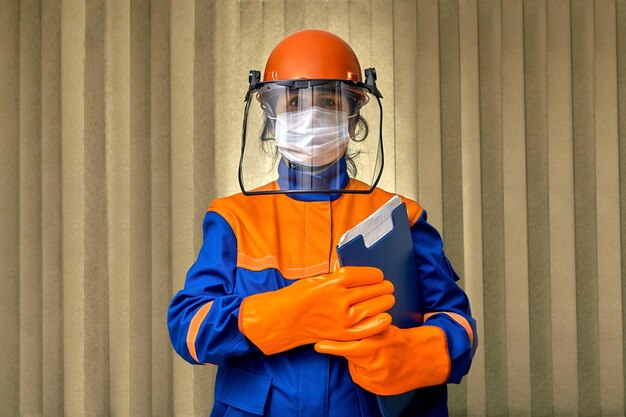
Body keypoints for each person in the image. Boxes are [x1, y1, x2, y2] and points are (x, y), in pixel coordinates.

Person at [168, 29, 477, 417]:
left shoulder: (401, 217)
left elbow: (457, 323)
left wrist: (415, 353)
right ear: (270, 115)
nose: (310, 115)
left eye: (329, 100)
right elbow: (188, 328)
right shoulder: (234, 217)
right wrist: (283, 314)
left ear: (352, 118)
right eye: (294, 101)